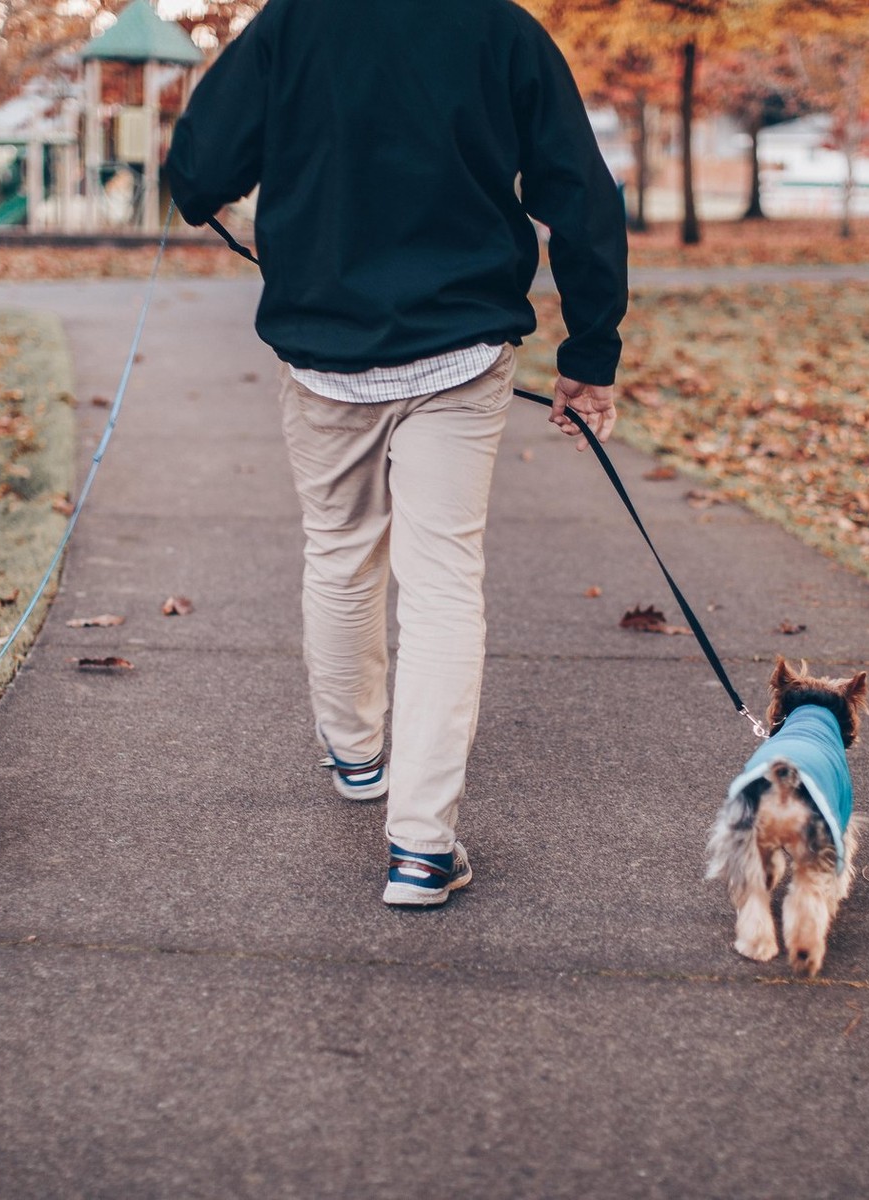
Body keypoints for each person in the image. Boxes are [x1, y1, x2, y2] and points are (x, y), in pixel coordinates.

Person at [166, 0, 627, 907]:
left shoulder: (293, 23)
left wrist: (208, 187)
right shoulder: (501, 29)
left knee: (339, 553)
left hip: (323, 353)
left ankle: (357, 756)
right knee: (443, 578)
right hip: (459, 350)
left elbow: (198, 172)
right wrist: (590, 352)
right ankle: (421, 846)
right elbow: (579, 189)